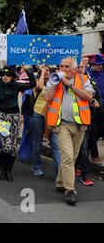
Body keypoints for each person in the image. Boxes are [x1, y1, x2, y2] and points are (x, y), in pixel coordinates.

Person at [45, 57, 94, 205]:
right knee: (67, 156)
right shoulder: (53, 80)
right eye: (61, 66)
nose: (63, 69)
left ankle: (60, 182)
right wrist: (55, 84)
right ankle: (70, 190)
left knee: (72, 158)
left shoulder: (83, 79)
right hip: (62, 125)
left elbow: (89, 96)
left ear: (74, 69)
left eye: (67, 66)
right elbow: (47, 98)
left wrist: (70, 86)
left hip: (79, 125)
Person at [0, 65, 36, 182]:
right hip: (2, 118)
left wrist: (29, 71)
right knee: (7, 147)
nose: (5, 77)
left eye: (8, 75)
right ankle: (0, 167)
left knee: (14, 148)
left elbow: (33, 84)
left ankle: (8, 170)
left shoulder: (17, 85)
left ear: (12, 77)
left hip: (15, 117)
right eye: (3, 75)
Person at [26, 65, 61, 177]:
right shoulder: (36, 82)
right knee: (37, 142)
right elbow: (40, 87)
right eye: (43, 70)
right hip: (37, 115)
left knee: (55, 144)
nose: (46, 72)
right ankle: (36, 166)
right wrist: (40, 73)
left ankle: (59, 174)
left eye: (47, 70)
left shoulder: (54, 83)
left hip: (51, 116)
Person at [74, 61, 97, 186]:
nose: (79, 69)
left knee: (83, 149)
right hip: (68, 122)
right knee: (70, 151)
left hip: (83, 121)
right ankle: (71, 171)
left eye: (81, 67)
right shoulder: (68, 81)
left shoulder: (87, 80)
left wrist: (95, 102)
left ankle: (84, 175)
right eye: (77, 67)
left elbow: (93, 95)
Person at [86, 54, 104, 164]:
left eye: (101, 64)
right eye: (97, 64)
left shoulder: (103, 73)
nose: (100, 66)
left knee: (101, 130)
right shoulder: (88, 75)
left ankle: (89, 146)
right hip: (93, 106)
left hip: (103, 105)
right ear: (92, 64)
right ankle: (94, 154)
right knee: (94, 131)